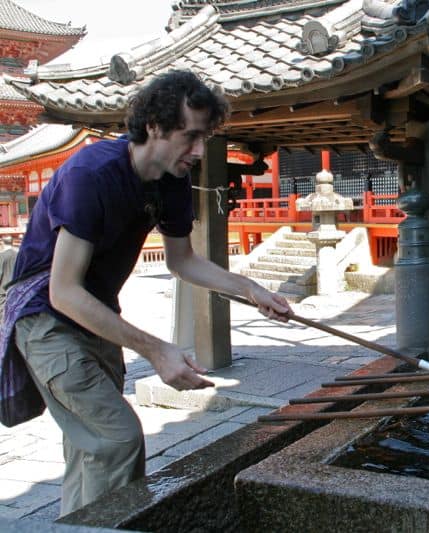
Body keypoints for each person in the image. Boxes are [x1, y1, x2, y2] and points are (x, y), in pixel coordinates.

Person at [6, 70, 290, 516]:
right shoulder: (91, 175)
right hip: (46, 317)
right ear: (154, 127)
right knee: (116, 438)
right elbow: (63, 291)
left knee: (92, 449)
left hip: (95, 311)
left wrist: (251, 289)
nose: (199, 151)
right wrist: (157, 350)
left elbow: (183, 261)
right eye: (190, 136)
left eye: (205, 138)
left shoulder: (172, 180)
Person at [0, 235, 18, 322]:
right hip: (16, 292)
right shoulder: (18, 255)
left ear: (2, 243)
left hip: (3, 294)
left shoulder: (1, 256)